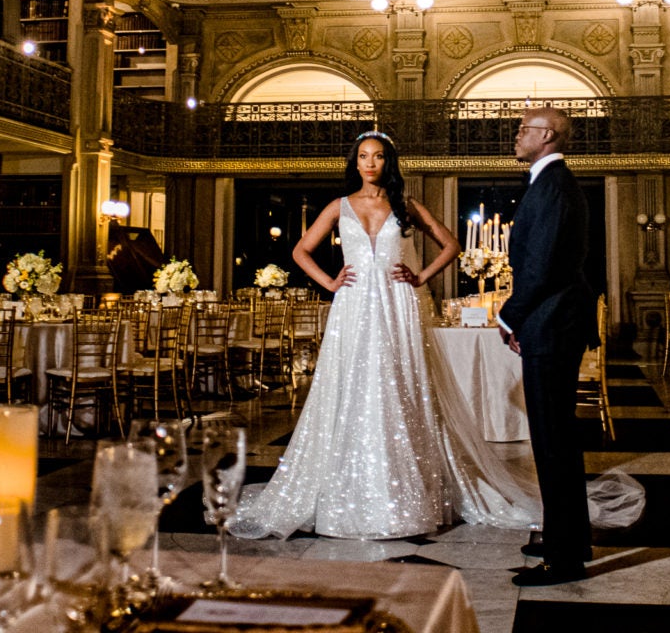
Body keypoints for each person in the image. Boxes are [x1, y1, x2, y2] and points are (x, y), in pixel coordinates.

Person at [230, 130, 542, 540]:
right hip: (355, 304)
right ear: (355, 163)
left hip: (399, 302)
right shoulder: (339, 206)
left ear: (387, 163)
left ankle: (409, 488)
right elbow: (299, 251)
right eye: (363, 156)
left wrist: (421, 277)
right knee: (353, 386)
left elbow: (450, 244)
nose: (370, 163)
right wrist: (329, 282)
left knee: (402, 384)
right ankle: (352, 489)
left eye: (377, 156)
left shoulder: (405, 206)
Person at [498, 105, 596, 586]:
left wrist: (508, 314)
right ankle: (569, 537)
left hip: (554, 324)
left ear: (549, 135)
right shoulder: (547, 183)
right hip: (550, 323)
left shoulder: (554, 186)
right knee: (554, 440)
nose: (516, 136)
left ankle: (566, 557)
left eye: (523, 130)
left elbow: (542, 267)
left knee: (554, 442)